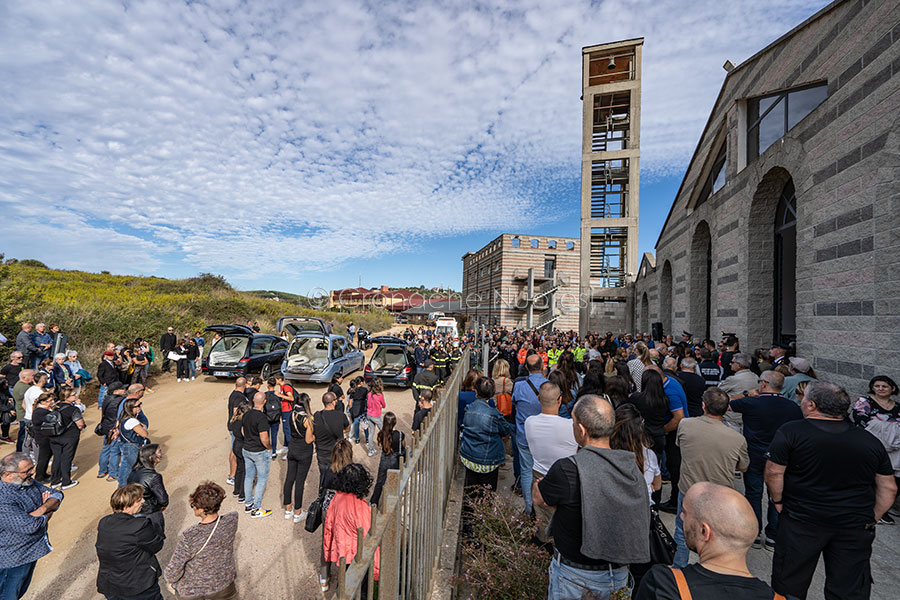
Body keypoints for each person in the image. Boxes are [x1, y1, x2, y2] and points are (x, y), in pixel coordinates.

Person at [766, 382, 897, 600]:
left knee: (790, 580)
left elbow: (773, 472)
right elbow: (888, 487)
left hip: (802, 519)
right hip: (853, 524)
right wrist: (871, 516)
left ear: (811, 405)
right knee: (849, 585)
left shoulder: (791, 432)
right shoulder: (869, 441)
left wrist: (778, 501)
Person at [534, 394, 650, 599]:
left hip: (574, 577)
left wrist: (540, 487)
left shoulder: (567, 469)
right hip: (619, 574)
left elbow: (540, 498)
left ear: (581, 430)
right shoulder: (630, 467)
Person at [635, 482, 783, 600]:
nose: (680, 517)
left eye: (685, 513)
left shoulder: (663, 585)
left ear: (704, 531)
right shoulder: (779, 597)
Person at [673, 388, 749, 567]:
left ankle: (679, 569)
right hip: (720, 495)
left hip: (689, 490)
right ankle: (712, 570)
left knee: (682, 531)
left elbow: (680, 445)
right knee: (717, 536)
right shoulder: (737, 439)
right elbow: (743, 466)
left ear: (703, 405)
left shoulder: (685, 424)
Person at [728, 371, 802, 547]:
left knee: (753, 493)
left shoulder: (752, 402)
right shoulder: (792, 407)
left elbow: (725, 403)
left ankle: (754, 532)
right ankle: (773, 534)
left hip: (754, 453)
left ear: (763, 384)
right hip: (780, 456)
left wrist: (746, 393)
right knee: (776, 494)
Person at [0, 452, 63, 600]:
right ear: (8, 474)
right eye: (27, 471)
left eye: (32, 468)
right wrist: (49, 510)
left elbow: (57, 494)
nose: (32, 472)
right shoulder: (3, 499)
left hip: (28, 553)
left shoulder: (26, 481)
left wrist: (41, 509)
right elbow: (30, 526)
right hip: (13, 559)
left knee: (18, 593)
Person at [164, 482, 238, 600]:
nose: (193, 507)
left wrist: (171, 581)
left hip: (197, 591)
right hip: (225, 585)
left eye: (194, 505)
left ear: (203, 509)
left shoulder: (190, 536)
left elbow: (172, 573)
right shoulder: (232, 520)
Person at [525, 381, 578, 544]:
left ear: (538, 398)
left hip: (540, 475)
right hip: (567, 477)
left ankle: (543, 550)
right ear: (560, 400)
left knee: (543, 520)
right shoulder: (571, 426)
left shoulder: (530, 423)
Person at [96, 483, 166, 600]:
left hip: (111, 585)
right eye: (138, 500)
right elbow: (157, 545)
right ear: (127, 506)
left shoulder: (104, 522)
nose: (143, 501)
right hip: (138, 587)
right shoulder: (139, 526)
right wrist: (156, 522)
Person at [322, 463, 379, 595]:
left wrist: (329, 550)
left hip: (342, 551)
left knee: (345, 585)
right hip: (357, 555)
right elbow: (370, 538)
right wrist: (376, 569)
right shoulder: (361, 507)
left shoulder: (336, 499)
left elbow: (329, 527)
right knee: (360, 589)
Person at [512, 354, 548, 516]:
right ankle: (542, 509)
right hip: (544, 436)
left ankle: (529, 509)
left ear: (526, 367)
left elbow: (515, 404)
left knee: (526, 471)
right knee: (543, 471)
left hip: (524, 435)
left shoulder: (519, 386)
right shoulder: (549, 386)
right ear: (542, 367)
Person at [283, 393, 315, 524]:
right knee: (300, 482)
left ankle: (288, 509)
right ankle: (298, 512)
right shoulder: (307, 419)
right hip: (304, 451)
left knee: (289, 479)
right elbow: (308, 440)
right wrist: (315, 437)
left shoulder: (291, 414)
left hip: (293, 449)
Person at [241, 392, 273, 518]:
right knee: (262, 478)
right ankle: (256, 508)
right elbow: (264, 438)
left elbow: (243, 430)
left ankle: (248, 503)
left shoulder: (246, 414)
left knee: (249, 476)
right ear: (264, 401)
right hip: (258, 451)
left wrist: (249, 439)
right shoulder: (261, 418)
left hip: (247, 449)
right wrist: (269, 448)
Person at [47, 388, 85, 490]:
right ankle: (66, 482)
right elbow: (80, 424)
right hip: (69, 437)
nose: (76, 396)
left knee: (57, 458)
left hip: (54, 436)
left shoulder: (55, 407)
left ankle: (55, 481)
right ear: (67, 397)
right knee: (66, 459)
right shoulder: (73, 409)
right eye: (73, 395)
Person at [126, 444, 169, 532]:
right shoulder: (154, 476)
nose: (161, 453)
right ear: (150, 457)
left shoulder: (133, 472)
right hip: (151, 513)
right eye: (159, 451)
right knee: (157, 538)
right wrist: (163, 505)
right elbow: (163, 499)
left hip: (135, 511)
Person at [314, 392, 350, 491]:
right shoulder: (340, 415)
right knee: (339, 476)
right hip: (337, 452)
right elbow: (347, 428)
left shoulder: (316, 416)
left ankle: (322, 497)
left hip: (322, 452)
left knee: (323, 476)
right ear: (333, 402)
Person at [370, 411, 406, 507]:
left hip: (385, 459)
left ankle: (373, 502)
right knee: (393, 481)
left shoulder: (381, 434)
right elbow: (403, 447)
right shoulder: (399, 434)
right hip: (395, 460)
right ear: (395, 422)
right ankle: (391, 503)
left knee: (380, 482)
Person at [115, 396, 151, 487]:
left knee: (126, 467)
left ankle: (122, 487)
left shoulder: (124, 419)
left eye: (140, 404)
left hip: (126, 446)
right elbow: (145, 434)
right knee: (138, 469)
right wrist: (143, 428)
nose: (140, 407)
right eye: (137, 406)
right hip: (132, 448)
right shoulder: (132, 421)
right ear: (131, 408)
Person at [97, 382, 127, 481]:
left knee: (105, 449)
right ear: (116, 391)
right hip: (114, 428)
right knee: (115, 452)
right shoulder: (122, 400)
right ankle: (113, 474)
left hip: (106, 428)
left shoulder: (106, 399)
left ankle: (102, 471)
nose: (124, 390)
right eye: (122, 389)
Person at [29, 393, 56, 483]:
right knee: (43, 457)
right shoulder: (40, 412)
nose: (52, 402)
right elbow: (51, 419)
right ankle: (39, 477)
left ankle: (43, 474)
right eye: (50, 401)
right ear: (43, 402)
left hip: (44, 437)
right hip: (43, 438)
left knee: (46, 456)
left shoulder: (41, 410)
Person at [225, 378, 247, 486]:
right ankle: (232, 476)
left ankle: (232, 475)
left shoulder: (233, 394)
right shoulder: (239, 397)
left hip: (231, 426)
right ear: (245, 385)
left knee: (233, 450)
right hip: (235, 428)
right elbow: (236, 412)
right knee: (234, 452)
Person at [229, 402, 250, 503]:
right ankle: (242, 494)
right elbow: (244, 434)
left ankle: (236, 490)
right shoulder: (243, 421)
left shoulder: (234, 419)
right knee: (245, 471)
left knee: (239, 469)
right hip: (242, 446)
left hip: (236, 445)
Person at [274, 373, 295, 458]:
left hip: (287, 411)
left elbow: (291, 398)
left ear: (279, 379)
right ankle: (285, 447)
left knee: (287, 430)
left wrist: (279, 395)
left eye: (275, 379)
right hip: (284, 410)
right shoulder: (282, 387)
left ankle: (290, 451)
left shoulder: (286, 387)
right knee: (285, 429)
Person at [11, 370, 32, 452]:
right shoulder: (24, 388)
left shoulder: (21, 385)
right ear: (24, 377)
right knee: (24, 435)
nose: (33, 377)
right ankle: (20, 452)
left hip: (22, 413)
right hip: (24, 413)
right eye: (32, 375)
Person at [365, 379, 385, 458]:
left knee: (371, 432)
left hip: (369, 415)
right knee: (384, 431)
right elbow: (384, 405)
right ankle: (386, 447)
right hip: (376, 415)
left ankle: (370, 450)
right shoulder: (380, 395)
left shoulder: (369, 394)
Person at [348, 376, 369, 446]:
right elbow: (367, 399)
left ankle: (357, 439)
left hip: (355, 409)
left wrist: (351, 410)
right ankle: (367, 439)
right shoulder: (365, 390)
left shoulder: (353, 390)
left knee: (356, 424)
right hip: (362, 409)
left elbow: (350, 402)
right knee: (364, 424)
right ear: (361, 382)